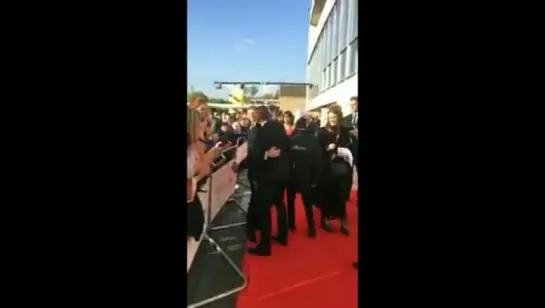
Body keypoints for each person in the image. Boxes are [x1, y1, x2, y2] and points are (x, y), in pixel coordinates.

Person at [238, 106, 291, 256]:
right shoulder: (279, 126)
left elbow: (255, 154)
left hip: (269, 175)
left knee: (263, 208)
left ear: (258, 116)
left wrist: (264, 155)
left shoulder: (262, 131)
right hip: (283, 173)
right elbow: (287, 145)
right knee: (280, 204)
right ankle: (283, 236)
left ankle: (265, 245)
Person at [316, 106, 353, 235]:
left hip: (342, 169)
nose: (333, 120)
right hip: (327, 168)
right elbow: (317, 150)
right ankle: (325, 219)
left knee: (341, 195)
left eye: (335, 118)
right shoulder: (321, 132)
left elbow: (350, 146)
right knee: (327, 194)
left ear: (339, 119)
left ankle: (343, 220)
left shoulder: (344, 131)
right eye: (331, 117)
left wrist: (343, 150)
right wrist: (327, 149)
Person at [286, 116, 322, 237]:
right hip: (306, 175)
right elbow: (317, 161)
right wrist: (316, 179)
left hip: (292, 174)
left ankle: (291, 224)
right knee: (307, 203)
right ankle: (311, 228)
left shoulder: (290, 139)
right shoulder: (313, 140)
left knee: (291, 200)